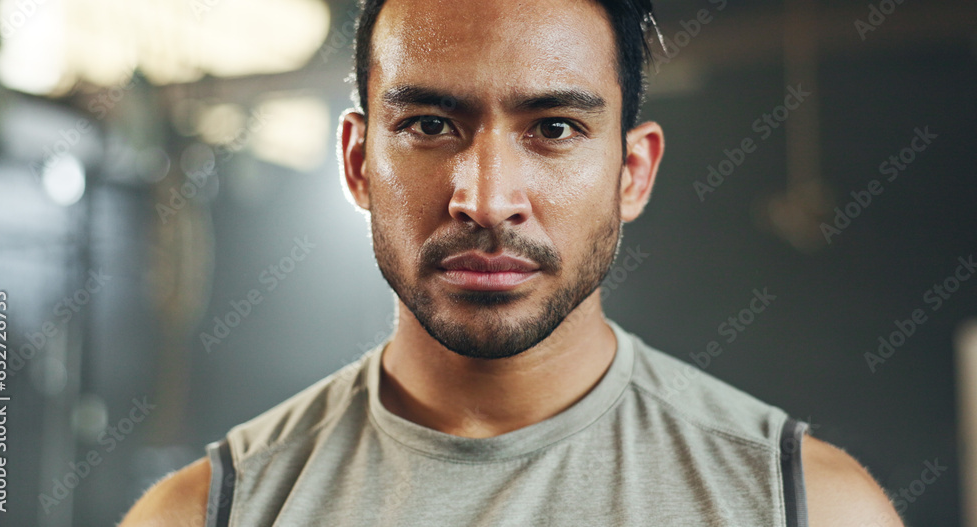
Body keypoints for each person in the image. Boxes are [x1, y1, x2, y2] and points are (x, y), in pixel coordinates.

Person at [121, 0, 904, 525]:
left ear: (633, 173)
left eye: (554, 128)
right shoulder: (202, 513)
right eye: (429, 123)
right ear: (359, 162)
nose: (488, 199)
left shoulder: (808, 506)